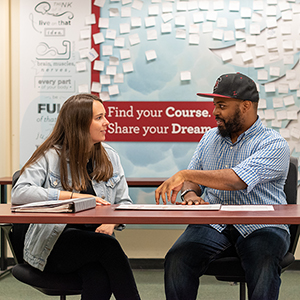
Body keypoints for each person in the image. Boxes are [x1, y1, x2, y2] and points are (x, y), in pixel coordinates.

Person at [155, 73, 290, 300]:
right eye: (215, 105)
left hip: (262, 225)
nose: (215, 112)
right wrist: (189, 193)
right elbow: (194, 180)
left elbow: (236, 180)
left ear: (246, 106)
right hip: (214, 224)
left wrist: (185, 174)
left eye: (222, 106)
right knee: (177, 258)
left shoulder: (274, 144)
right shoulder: (209, 138)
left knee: (263, 263)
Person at [11, 93, 141, 300]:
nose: (107, 122)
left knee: (98, 277)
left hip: (96, 243)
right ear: (79, 124)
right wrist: (71, 196)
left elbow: (124, 202)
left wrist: (113, 222)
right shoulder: (50, 156)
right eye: (99, 118)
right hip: (54, 245)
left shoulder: (110, 157)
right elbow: (19, 192)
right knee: (108, 246)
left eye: (104, 116)